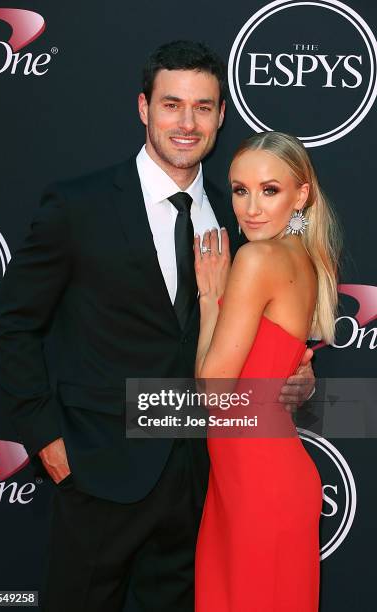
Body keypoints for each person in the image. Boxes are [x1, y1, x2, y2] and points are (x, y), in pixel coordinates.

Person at [0, 42, 314, 612]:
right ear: (143, 108)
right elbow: (14, 325)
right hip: (99, 472)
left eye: (204, 107)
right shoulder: (78, 205)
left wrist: (295, 379)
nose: (187, 123)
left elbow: (251, 347)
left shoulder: (240, 217)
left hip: (202, 481)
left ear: (219, 117)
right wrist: (46, 439)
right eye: (172, 104)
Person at [193, 131, 341, 612]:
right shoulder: (305, 259)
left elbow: (214, 394)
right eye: (240, 190)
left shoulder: (257, 258)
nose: (251, 207)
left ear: (301, 194)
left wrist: (209, 301)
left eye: (269, 190)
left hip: (257, 484)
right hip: (253, 478)